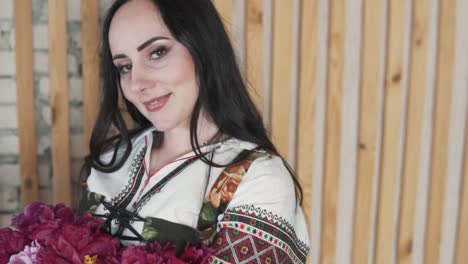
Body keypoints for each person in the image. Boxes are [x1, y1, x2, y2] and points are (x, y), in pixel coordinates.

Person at [79, 0, 310, 262]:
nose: (137, 84)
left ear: (203, 48)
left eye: (157, 53)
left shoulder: (258, 181)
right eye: (125, 66)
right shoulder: (112, 158)